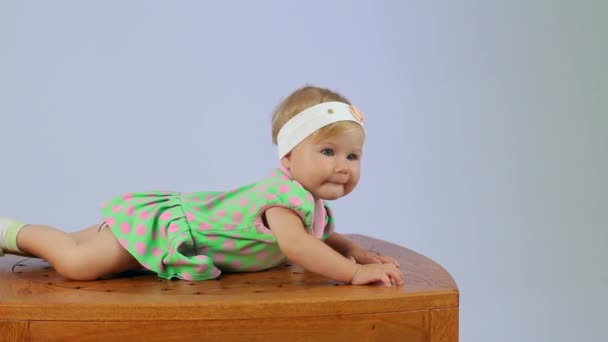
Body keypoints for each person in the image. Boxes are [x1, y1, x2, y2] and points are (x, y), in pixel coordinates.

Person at [0, 85, 404, 287]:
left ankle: (15, 239)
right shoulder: (282, 198)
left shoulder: (312, 207)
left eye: (353, 157)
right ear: (288, 157)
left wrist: (356, 251)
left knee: (76, 244)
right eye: (328, 152)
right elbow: (298, 246)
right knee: (76, 263)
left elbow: (322, 237)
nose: (342, 167)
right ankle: (12, 231)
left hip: (177, 229)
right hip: (172, 231)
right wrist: (351, 273)